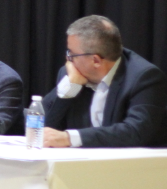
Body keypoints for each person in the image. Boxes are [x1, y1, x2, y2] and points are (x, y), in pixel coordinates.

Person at [42, 15, 167, 148]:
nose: (68, 59)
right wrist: (70, 87)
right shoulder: (72, 74)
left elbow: (136, 131)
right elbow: (42, 127)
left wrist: (70, 138)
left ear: (95, 60)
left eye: (72, 54)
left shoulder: (144, 77)